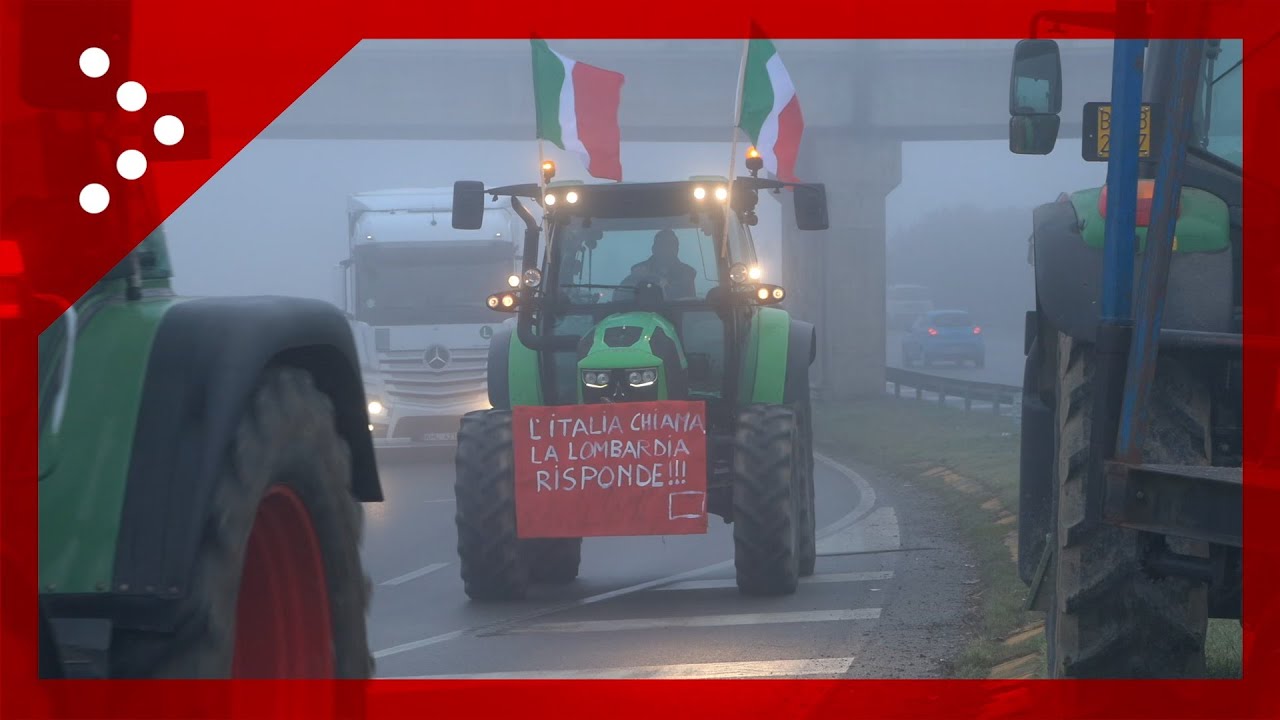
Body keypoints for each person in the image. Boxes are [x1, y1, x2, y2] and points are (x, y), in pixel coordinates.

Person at [629, 229, 697, 299]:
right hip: (646, 306)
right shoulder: (638, 270)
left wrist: (666, 287)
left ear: (677, 250)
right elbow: (625, 296)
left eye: (670, 245)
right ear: (654, 249)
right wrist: (636, 278)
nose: (666, 250)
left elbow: (691, 302)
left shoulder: (688, 272)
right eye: (662, 245)